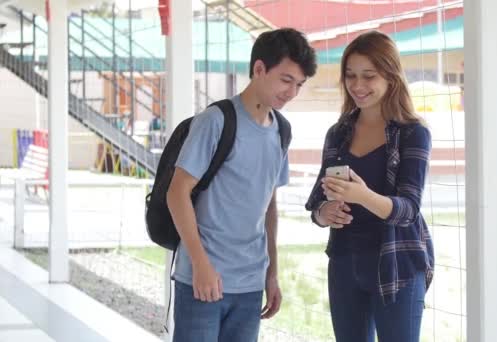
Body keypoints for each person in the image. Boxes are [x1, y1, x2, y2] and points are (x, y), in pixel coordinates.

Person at [167, 28, 317, 342]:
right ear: (259, 69)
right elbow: (176, 193)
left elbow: (269, 205)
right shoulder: (216, 121)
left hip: (250, 284)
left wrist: (271, 273)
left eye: (299, 85)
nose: (291, 93)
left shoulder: (281, 131)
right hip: (204, 278)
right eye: (286, 80)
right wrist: (200, 264)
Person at [305, 31, 434, 342]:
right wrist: (327, 212)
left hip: (396, 265)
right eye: (350, 76)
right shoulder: (338, 133)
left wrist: (363, 196)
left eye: (368, 76)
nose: (357, 86)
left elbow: (408, 209)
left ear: (390, 76)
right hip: (345, 263)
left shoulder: (413, 133)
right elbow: (316, 205)